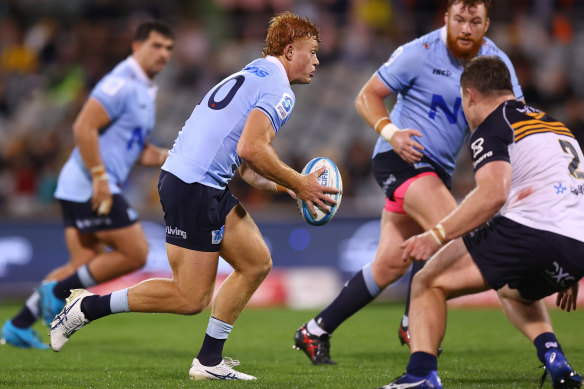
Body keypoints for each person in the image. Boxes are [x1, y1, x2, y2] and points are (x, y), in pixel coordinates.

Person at [49, 11, 336, 381]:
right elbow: (252, 150)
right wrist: (301, 183)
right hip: (193, 186)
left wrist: (288, 187)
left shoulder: (253, 73)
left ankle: (209, 361)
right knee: (189, 299)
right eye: (311, 52)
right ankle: (86, 306)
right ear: (289, 49)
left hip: (200, 181)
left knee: (255, 261)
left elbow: (246, 164)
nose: (316, 61)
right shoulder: (279, 90)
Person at [293, 0, 524, 365]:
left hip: (436, 171)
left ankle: (315, 330)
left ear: (487, 24)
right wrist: (392, 132)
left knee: (389, 264)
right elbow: (366, 96)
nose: (465, 28)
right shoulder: (419, 53)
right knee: (458, 233)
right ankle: (414, 322)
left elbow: (515, 120)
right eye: (459, 19)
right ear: (445, 18)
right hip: (399, 160)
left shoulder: (496, 65)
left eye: (474, 21)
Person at [379, 55, 584, 389]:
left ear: (470, 95)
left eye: (463, 100)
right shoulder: (555, 124)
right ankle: (554, 358)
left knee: (427, 282)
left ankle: (421, 376)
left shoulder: (492, 125)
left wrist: (436, 235)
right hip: (577, 241)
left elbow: (492, 194)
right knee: (513, 290)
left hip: (532, 232)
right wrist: (571, 261)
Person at [0, 21, 174, 349]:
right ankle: (54, 292)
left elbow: (139, 150)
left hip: (88, 182)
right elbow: (83, 127)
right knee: (135, 252)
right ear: (136, 47)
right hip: (90, 183)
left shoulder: (146, 91)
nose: (163, 53)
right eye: (156, 46)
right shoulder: (121, 82)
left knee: (81, 267)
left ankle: (19, 324)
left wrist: (173, 155)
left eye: (168, 48)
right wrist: (98, 177)